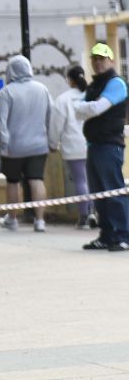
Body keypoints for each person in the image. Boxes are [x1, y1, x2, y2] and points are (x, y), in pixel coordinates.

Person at [74, 42, 129, 252]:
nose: (98, 62)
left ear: (111, 60)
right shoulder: (94, 85)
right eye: (94, 59)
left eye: (102, 58)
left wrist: (86, 107)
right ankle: (106, 235)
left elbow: (97, 108)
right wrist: (86, 107)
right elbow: (77, 109)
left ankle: (123, 235)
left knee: (114, 192)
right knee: (98, 194)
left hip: (109, 146)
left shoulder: (116, 83)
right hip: (94, 145)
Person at [0, 55, 56, 232]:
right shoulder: (42, 89)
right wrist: (51, 140)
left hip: (14, 148)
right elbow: (51, 115)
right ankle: (40, 221)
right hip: (38, 146)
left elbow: (1, 123)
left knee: (13, 182)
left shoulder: (7, 92)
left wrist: (4, 145)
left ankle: (12, 219)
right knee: (37, 180)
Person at [50, 65, 94, 229]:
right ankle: (94, 213)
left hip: (73, 146)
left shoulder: (63, 99)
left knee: (80, 181)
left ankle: (84, 216)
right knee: (93, 181)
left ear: (69, 80)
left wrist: (53, 144)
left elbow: (56, 125)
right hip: (92, 143)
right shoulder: (91, 95)